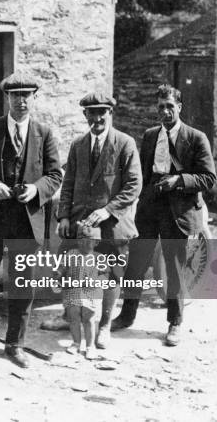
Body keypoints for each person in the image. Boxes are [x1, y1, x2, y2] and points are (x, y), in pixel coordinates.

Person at [0, 71, 63, 376]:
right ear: (7, 98)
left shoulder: (44, 133)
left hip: (26, 219)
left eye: (26, 95)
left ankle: (15, 345)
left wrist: (35, 189)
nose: (21, 101)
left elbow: (55, 176)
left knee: (22, 286)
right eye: (15, 96)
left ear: (33, 98)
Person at [112, 84, 216, 346]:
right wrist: (138, 199)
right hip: (150, 207)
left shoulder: (196, 138)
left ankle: (175, 323)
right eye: (161, 107)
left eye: (170, 106)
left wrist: (178, 182)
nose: (165, 112)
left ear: (179, 107)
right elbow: (142, 174)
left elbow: (208, 178)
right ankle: (126, 316)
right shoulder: (149, 136)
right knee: (135, 262)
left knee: (174, 267)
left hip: (178, 210)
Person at [40, 92, 142, 349]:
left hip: (113, 224)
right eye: (91, 113)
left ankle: (105, 325)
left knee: (112, 276)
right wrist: (63, 215)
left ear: (110, 114)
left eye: (102, 112)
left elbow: (133, 185)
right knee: (69, 271)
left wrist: (108, 210)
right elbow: (69, 183)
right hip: (79, 224)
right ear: (84, 115)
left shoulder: (125, 143)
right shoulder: (78, 145)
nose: (97, 118)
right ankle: (69, 315)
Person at [60, 224, 105, 360]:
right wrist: (58, 273)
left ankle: (90, 346)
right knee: (74, 318)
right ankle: (76, 343)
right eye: (80, 240)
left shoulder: (99, 257)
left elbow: (105, 275)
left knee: (89, 319)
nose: (83, 243)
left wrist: (97, 280)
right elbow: (62, 267)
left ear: (96, 242)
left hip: (91, 293)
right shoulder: (71, 254)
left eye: (88, 241)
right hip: (72, 291)